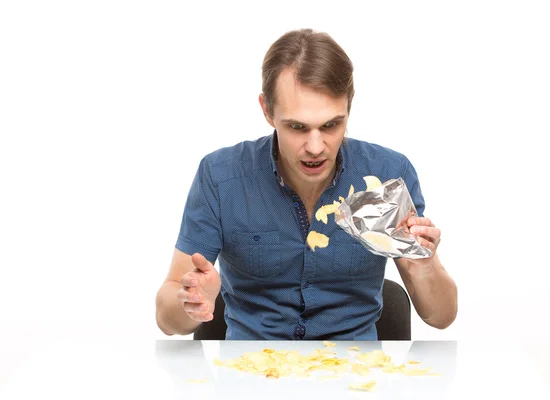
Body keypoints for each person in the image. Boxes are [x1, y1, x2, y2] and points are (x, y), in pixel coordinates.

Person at [155, 28, 457, 340]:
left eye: (331, 125)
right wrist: (190, 302)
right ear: (267, 110)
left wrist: (423, 267)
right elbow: (167, 318)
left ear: (349, 107)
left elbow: (441, 317)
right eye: (297, 127)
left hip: (355, 375)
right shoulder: (220, 176)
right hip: (251, 373)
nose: (315, 146)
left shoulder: (388, 175)